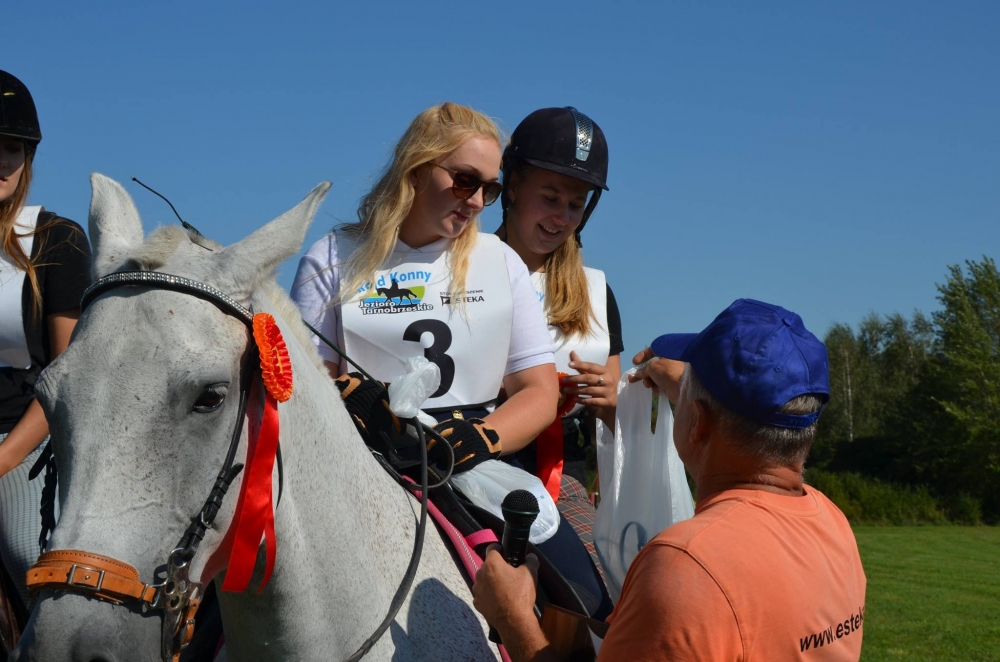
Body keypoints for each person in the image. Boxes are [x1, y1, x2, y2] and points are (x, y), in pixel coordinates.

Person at [473, 299, 867, 661]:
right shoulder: (833, 526)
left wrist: (513, 618)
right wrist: (695, 394)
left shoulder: (686, 565)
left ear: (698, 423)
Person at [496, 107, 621, 571]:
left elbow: (614, 416)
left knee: (598, 593)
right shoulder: (463, 271)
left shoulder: (595, 291)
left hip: (561, 478)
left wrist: (609, 400)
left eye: (575, 204)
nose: (562, 217)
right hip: (472, 459)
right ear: (513, 186)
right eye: (549, 198)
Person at [0, 70, 92, 612]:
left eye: (12, 149)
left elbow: (66, 377)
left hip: (21, 441)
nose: (1, 161)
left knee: (27, 557)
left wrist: (4, 458)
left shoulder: (55, 240)